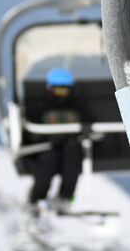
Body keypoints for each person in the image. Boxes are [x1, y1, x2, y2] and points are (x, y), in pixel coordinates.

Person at [25, 67, 87, 212]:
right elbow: (31, 132)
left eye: (64, 91)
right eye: (58, 91)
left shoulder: (77, 107)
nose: (61, 96)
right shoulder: (40, 108)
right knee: (49, 160)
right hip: (47, 147)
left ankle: (65, 197)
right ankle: (36, 199)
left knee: (72, 157)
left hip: (70, 147)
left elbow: (87, 122)